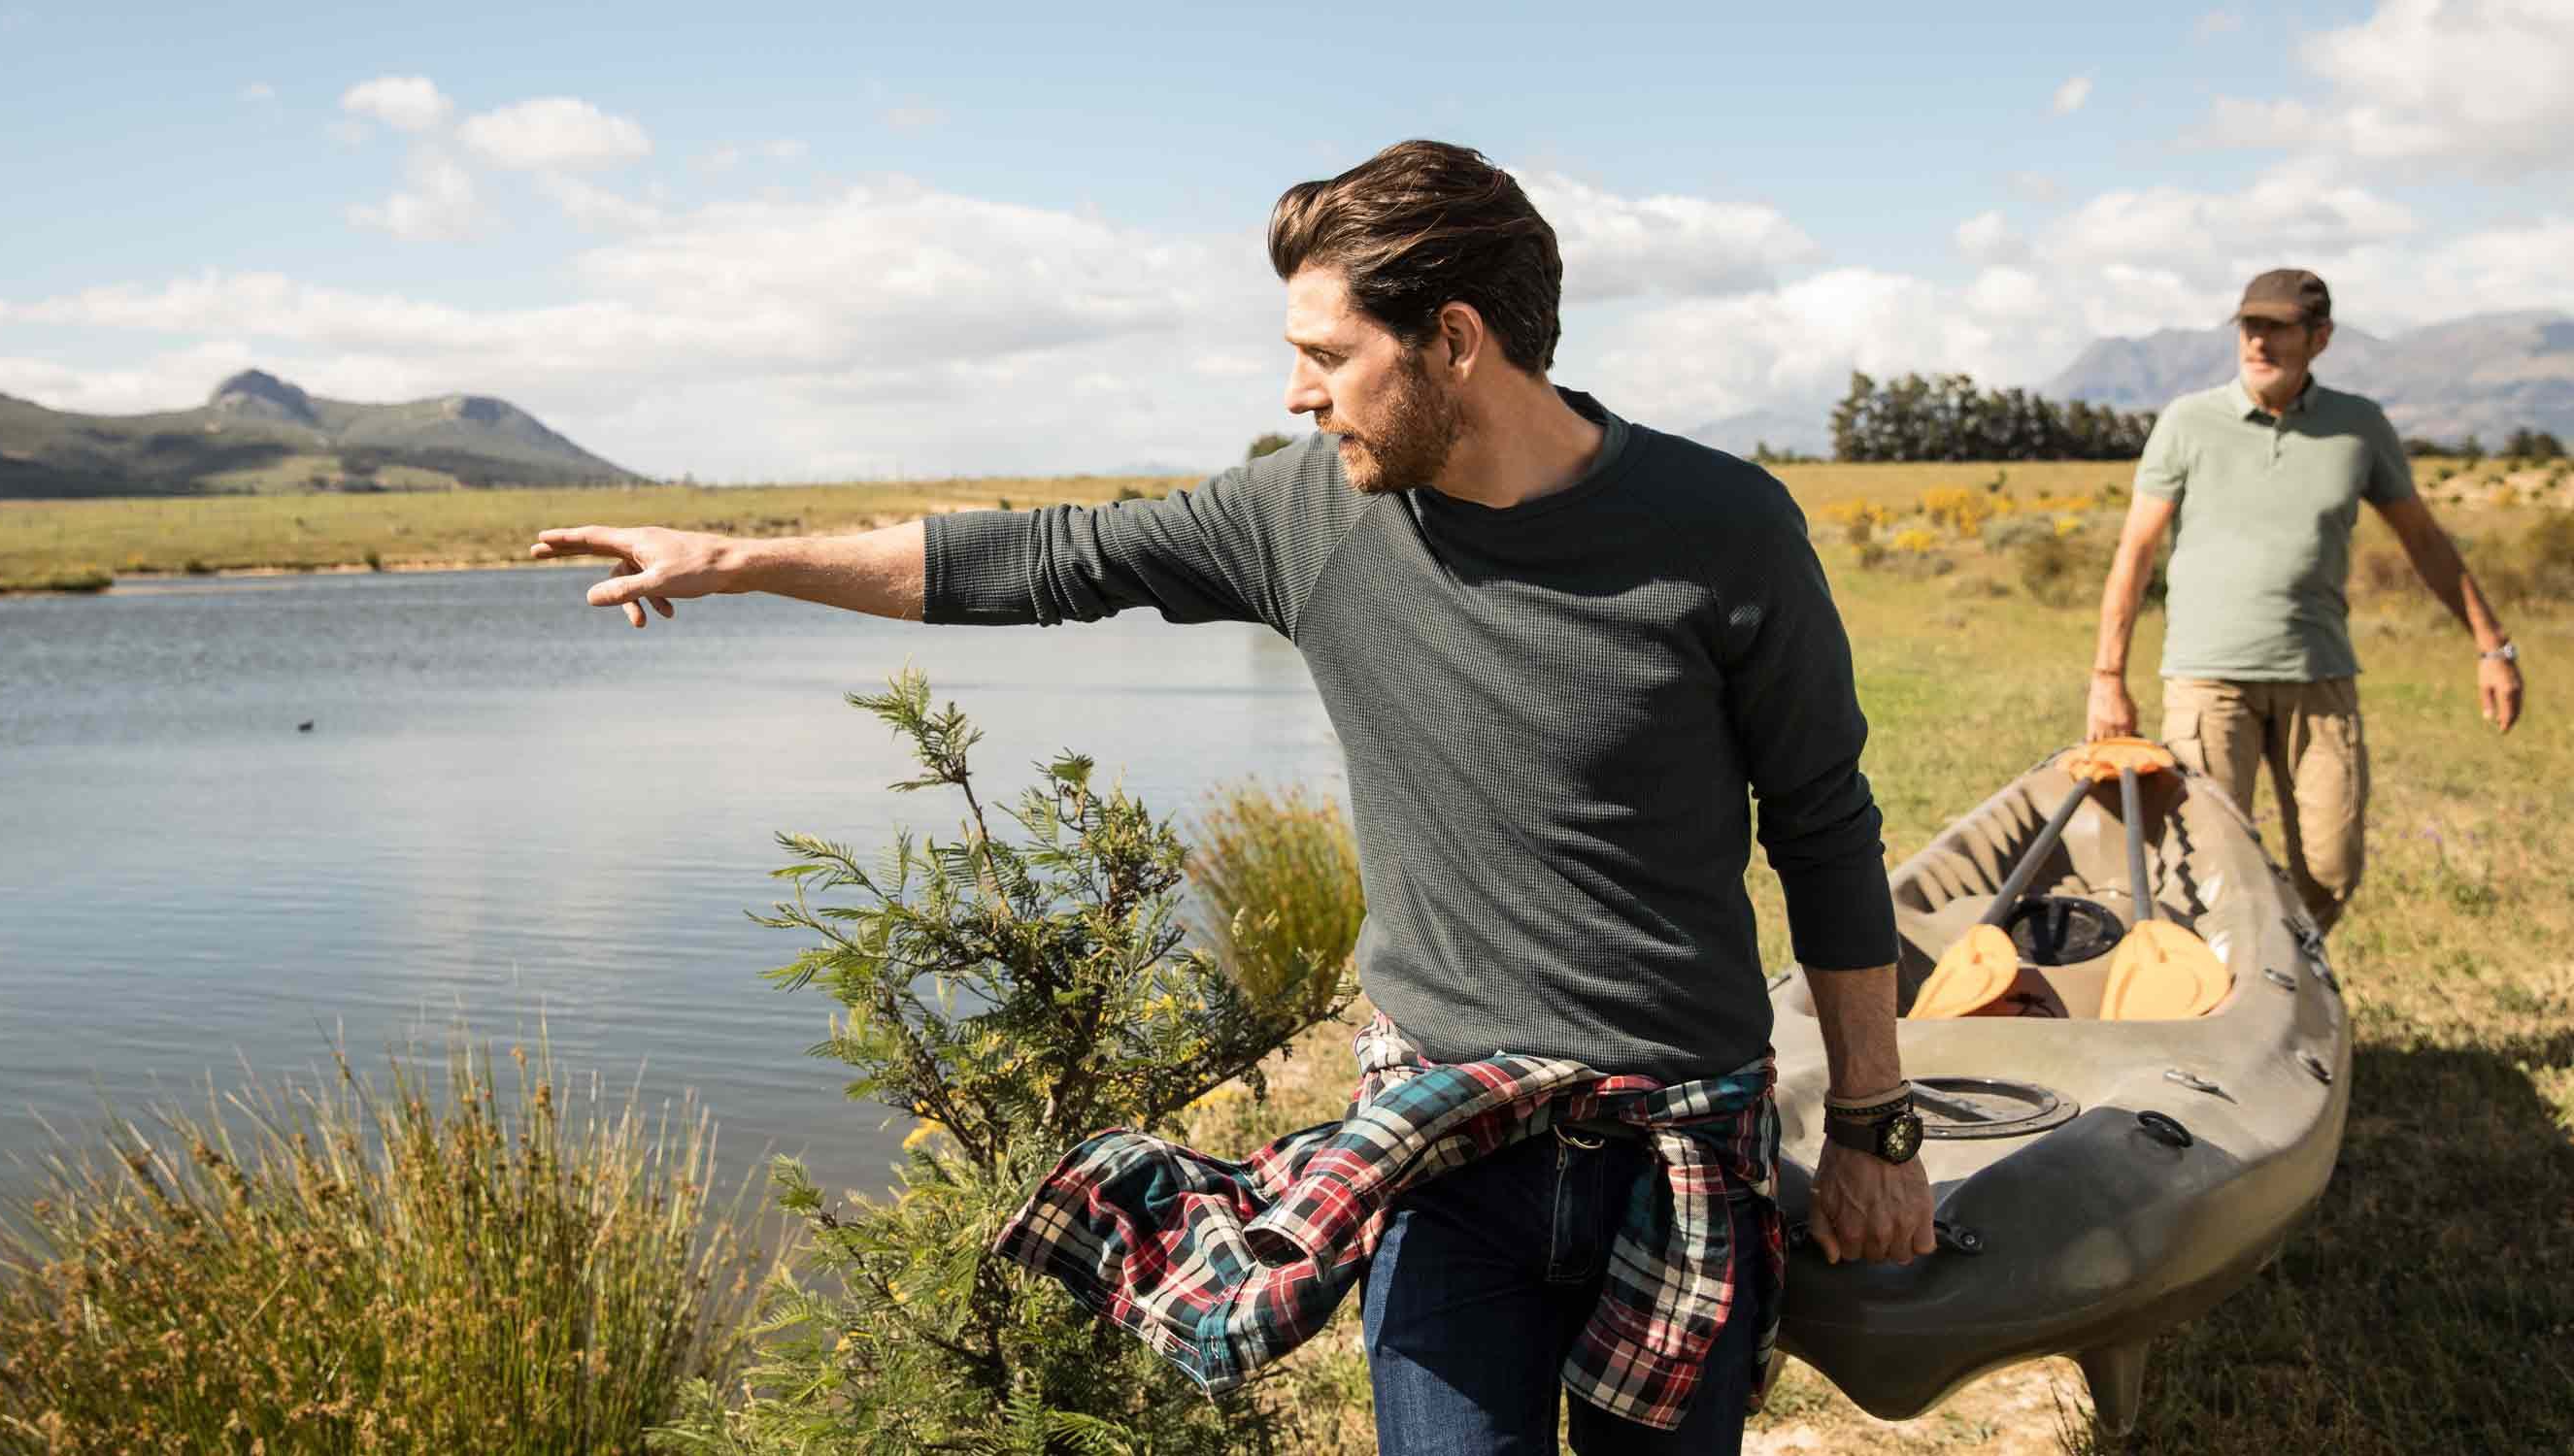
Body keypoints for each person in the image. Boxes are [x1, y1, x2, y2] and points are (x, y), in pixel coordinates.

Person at [534, 139, 1933, 1453]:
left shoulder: (1725, 528)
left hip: (1678, 1151)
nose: (1297, 394)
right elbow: (1041, 561)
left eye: (1328, 355)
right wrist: (739, 557)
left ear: (1454, 339)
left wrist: (1874, 1128)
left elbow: (1823, 827)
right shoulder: (1305, 515)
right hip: (1442, 1160)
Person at [2084, 268, 2525, 935]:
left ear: (2320, 338)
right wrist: (2108, 678)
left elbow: (2426, 543)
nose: (2258, 343)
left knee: (2332, 866)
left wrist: (2494, 647)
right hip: (2208, 680)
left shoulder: (2359, 427)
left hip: (2318, 676)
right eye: (2249, 327)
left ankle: (2284, 967)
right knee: (2202, 862)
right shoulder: (2188, 422)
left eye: (2278, 329)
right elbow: (2135, 553)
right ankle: (2228, 1011)